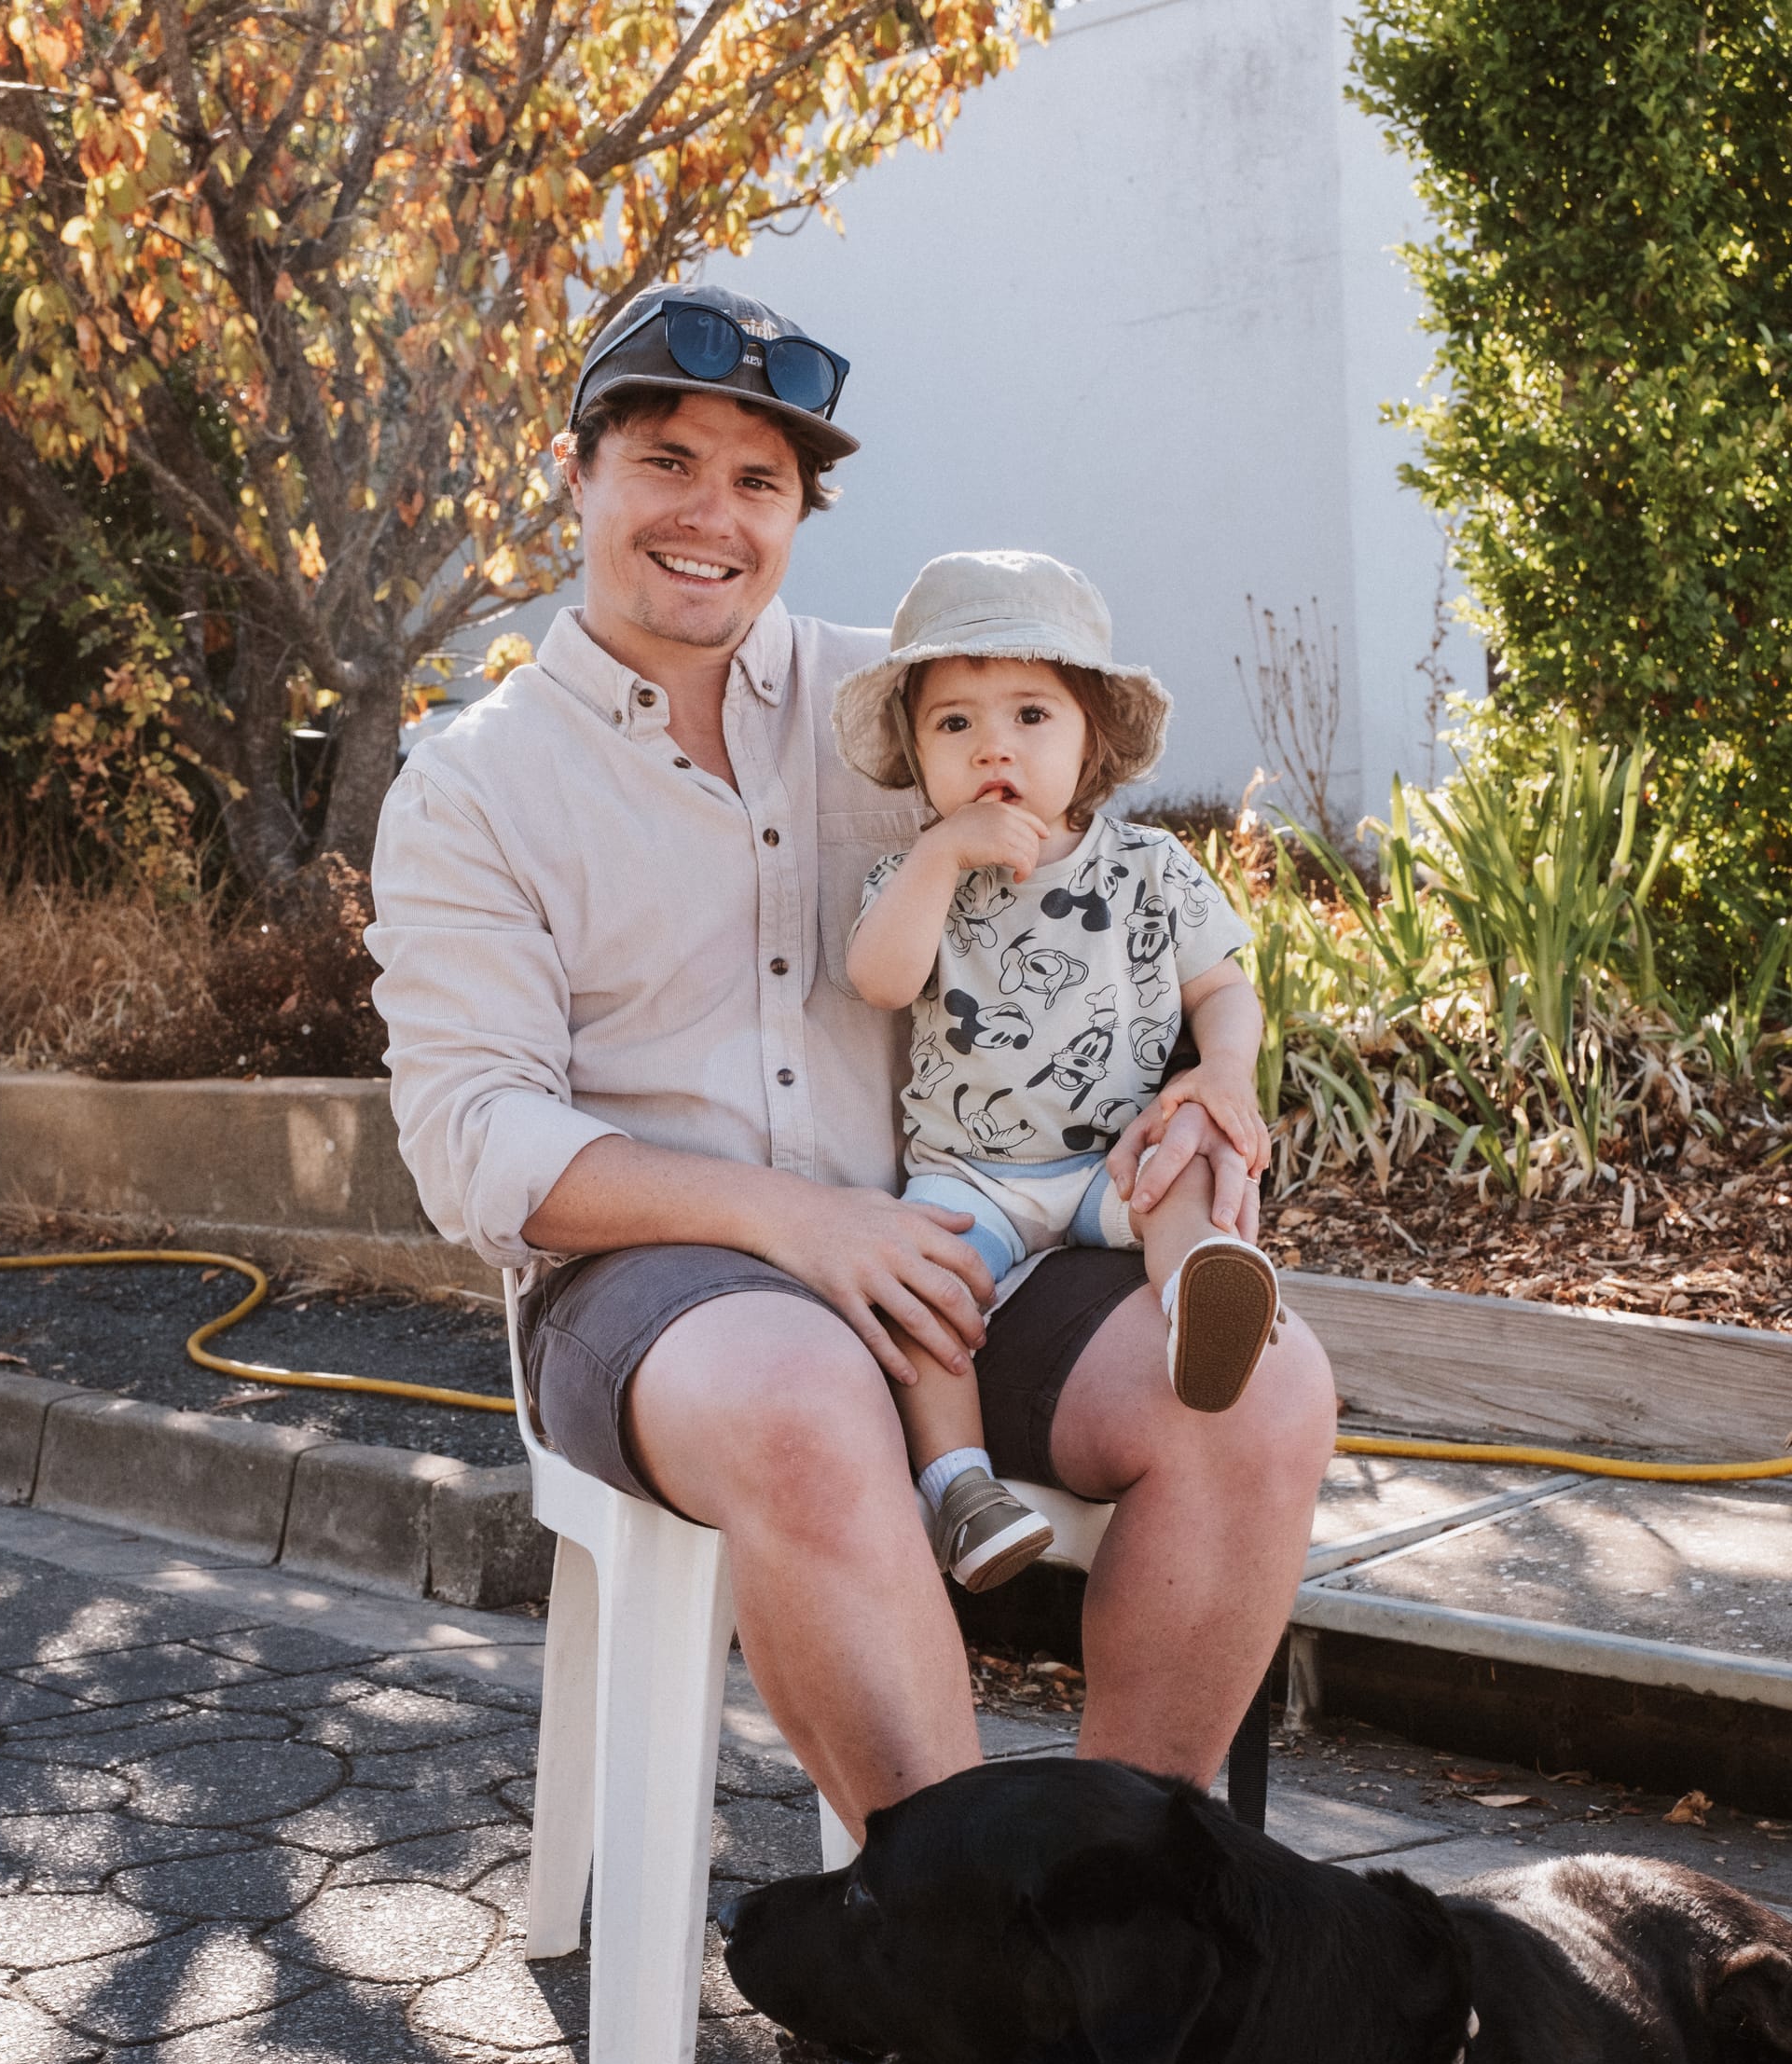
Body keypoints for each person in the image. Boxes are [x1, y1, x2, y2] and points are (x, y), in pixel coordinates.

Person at [366, 279, 1338, 1842]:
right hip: (662, 1289)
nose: (713, 515)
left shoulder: (908, 701)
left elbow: (1108, 906)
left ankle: (1126, 1913)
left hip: (964, 1239)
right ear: (577, 474)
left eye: (759, 482)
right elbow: (473, 1146)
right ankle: (954, 1951)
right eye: (668, 461)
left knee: (1260, 1389)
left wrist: (1195, 1089)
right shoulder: (476, 786)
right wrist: (797, 1226)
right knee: (808, 1394)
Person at [830, 549, 1287, 1594]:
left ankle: (1198, 1308)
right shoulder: (911, 878)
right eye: (954, 724)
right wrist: (942, 857)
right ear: (916, 753)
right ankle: (958, 1486)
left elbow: (1222, 990)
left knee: (1177, 1183)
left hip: (1104, 1158)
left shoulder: (1151, 870)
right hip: (969, 1175)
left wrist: (1221, 1075)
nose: (992, 744)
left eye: (1030, 715)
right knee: (928, 1296)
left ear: (1094, 744)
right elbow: (881, 981)